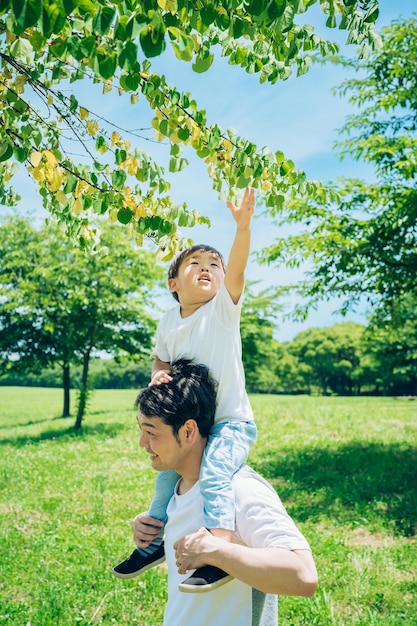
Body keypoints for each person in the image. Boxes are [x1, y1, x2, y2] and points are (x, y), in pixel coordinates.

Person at [114, 187, 258, 591]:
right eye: (195, 263)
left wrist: (242, 229)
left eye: (215, 263)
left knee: (214, 475)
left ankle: (220, 553)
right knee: (164, 477)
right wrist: (157, 375)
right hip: (189, 426)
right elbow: (161, 358)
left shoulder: (223, 312)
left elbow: (239, 271)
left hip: (229, 423)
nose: (208, 267)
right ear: (174, 282)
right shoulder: (167, 319)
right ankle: (152, 543)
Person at [130, 358, 318, 625]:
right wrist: (153, 531)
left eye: (151, 432)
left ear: (188, 431)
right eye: (141, 430)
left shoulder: (241, 489)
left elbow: (303, 576)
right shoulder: (178, 488)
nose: (142, 443)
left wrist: (219, 552)